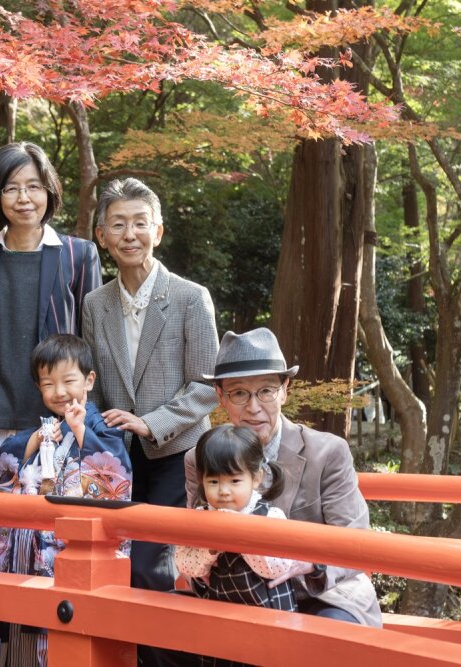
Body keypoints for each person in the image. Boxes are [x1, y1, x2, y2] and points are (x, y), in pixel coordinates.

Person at [81, 177, 218, 667]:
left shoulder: (190, 297)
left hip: (177, 454)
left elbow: (206, 386)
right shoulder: (95, 304)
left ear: (158, 231)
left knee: (151, 567)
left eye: (140, 223)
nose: (130, 234)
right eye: (118, 224)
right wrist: (95, 431)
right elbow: (93, 385)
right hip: (116, 459)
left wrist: (150, 422)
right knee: (115, 566)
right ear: (102, 236)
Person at [0, 142, 102, 571]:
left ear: (49, 191)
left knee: (53, 542)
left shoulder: (78, 254)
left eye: (34, 186)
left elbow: (89, 338)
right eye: (11, 188)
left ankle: (50, 619)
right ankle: (1, 617)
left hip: (56, 422)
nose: (24, 198)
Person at [184, 327, 382, 627]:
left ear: (284, 390)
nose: (254, 407)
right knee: (159, 630)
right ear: (221, 396)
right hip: (238, 595)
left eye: (266, 391)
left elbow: (356, 540)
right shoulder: (200, 458)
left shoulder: (328, 452)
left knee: (328, 635)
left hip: (321, 593)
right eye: (239, 393)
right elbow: (192, 537)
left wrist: (310, 563)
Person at [0, 334, 132, 666]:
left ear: (89, 380)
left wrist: (81, 430)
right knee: (26, 634)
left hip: (72, 554)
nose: (59, 391)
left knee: (72, 634)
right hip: (29, 554)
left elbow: (115, 479)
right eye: (48, 384)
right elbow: (8, 460)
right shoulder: (45, 429)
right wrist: (37, 439)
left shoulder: (102, 428)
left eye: (68, 381)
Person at [175, 425, 298, 615]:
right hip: (220, 613)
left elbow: (277, 568)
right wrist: (210, 550)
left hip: (270, 615)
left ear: (256, 478)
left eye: (234, 481)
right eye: (213, 482)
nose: (224, 491)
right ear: (202, 480)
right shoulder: (199, 518)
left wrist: (239, 536)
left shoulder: (270, 516)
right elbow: (185, 565)